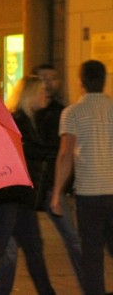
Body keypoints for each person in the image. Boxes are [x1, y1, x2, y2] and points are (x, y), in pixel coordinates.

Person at [0, 64, 83, 294]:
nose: (47, 85)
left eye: (52, 79)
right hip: (21, 192)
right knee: (14, 248)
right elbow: (36, 151)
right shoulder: (17, 120)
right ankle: (1, 289)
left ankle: (89, 284)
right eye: (42, 81)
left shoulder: (60, 112)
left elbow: (57, 150)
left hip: (50, 186)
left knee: (69, 239)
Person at [0, 76, 56, 295]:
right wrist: (57, 151)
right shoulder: (16, 121)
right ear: (30, 95)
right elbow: (30, 151)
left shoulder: (29, 119)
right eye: (41, 91)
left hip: (20, 197)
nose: (46, 95)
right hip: (6, 197)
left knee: (34, 249)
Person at [51, 60, 113, 295]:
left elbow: (66, 153)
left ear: (81, 82)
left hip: (89, 194)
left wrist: (57, 192)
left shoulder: (72, 112)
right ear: (104, 81)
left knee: (92, 255)